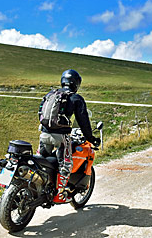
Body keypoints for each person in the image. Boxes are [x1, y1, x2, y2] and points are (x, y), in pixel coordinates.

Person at [38, 69, 101, 203]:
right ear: (76, 84)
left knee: (42, 162)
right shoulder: (76, 98)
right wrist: (91, 138)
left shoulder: (50, 94)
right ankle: (59, 195)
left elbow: (40, 112)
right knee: (65, 165)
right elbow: (84, 122)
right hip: (61, 138)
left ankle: (39, 187)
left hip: (44, 134)